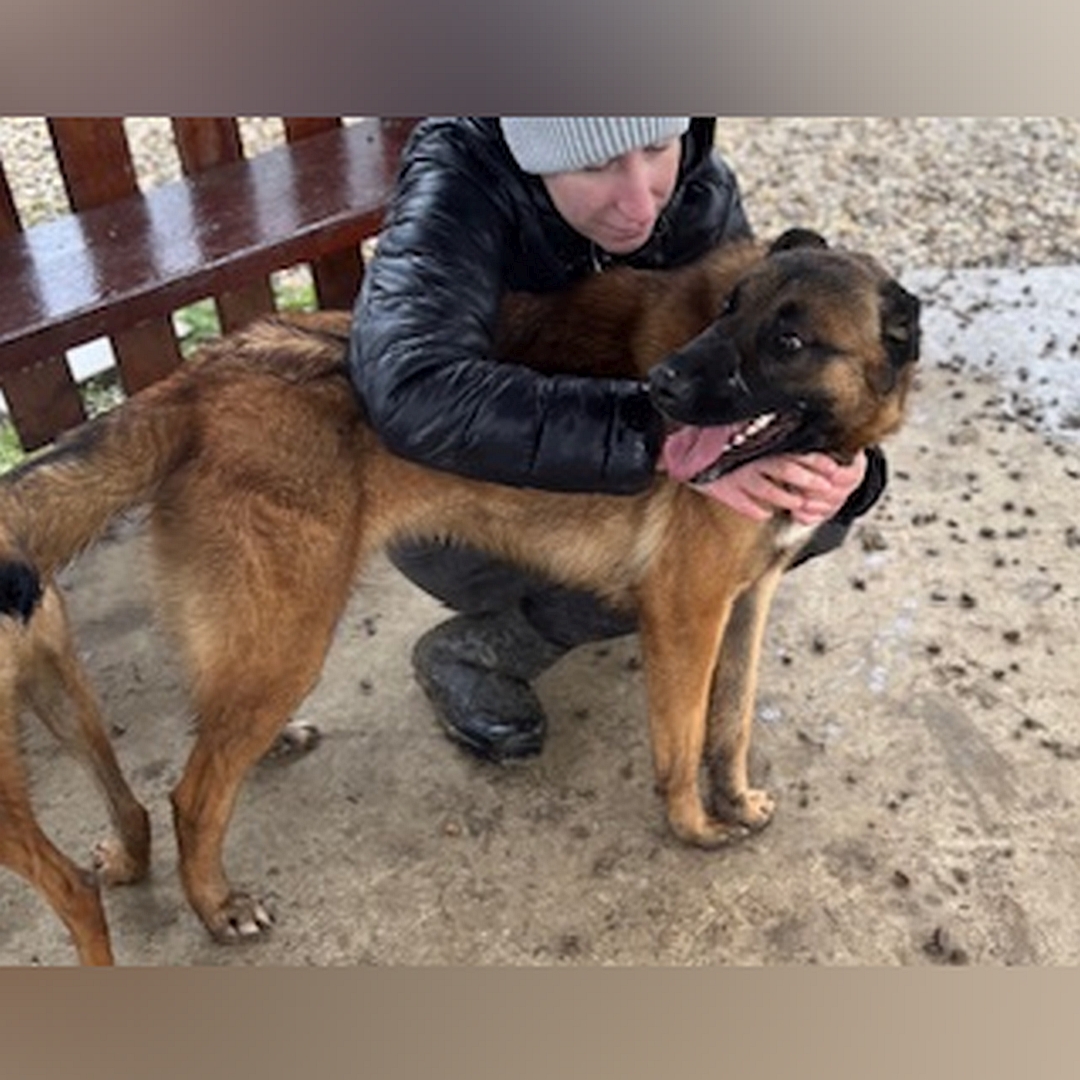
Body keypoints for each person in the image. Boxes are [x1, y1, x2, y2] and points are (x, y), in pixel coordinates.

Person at [348, 117, 885, 762]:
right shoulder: (455, 185)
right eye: (594, 165)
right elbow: (413, 392)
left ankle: (639, 599)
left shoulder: (698, 189)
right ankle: (484, 649)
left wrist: (846, 469)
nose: (639, 201)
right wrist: (656, 438)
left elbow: (753, 377)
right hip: (453, 495)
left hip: (612, 466)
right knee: (670, 552)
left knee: (803, 512)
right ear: (532, 155)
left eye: (657, 147)